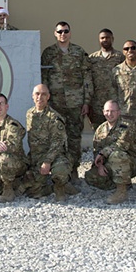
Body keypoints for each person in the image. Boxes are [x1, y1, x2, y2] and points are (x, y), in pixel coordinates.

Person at [40, 21, 92, 183]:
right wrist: (44, 102)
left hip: (75, 103)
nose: (63, 34)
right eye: (60, 31)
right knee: (57, 137)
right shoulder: (48, 53)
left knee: (74, 137)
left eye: (66, 31)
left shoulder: (79, 52)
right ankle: (60, 171)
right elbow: (44, 78)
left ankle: (74, 169)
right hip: (55, 103)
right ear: (55, 33)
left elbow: (87, 77)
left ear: (70, 33)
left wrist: (86, 101)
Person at [83, 100, 136, 204]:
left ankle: (121, 191)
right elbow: (97, 150)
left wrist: (103, 153)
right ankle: (122, 182)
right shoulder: (100, 129)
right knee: (91, 177)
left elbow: (121, 145)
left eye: (113, 111)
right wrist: (100, 165)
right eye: (107, 111)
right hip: (110, 162)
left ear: (119, 112)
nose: (109, 114)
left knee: (117, 155)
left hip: (130, 161)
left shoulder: (127, 125)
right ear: (103, 112)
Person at [25, 84, 71, 201]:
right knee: (31, 191)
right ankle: (48, 187)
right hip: (36, 157)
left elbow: (58, 142)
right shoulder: (29, 114)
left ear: (48, 97)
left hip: (54, 156)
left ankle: (60, 187)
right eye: (37, 94)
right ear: (32, 96)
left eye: (43, 94)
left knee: (60, 171)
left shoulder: (54, 117)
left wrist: (47, 161)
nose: (40, 97)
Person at [88, 28, 125, 126]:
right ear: (99, 40)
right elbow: (88, 80)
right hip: (97, 104)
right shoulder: (92, 58)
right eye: (102, 38)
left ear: (112, 39)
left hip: (115, 104)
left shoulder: (120, 57)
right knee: (98, 133)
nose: (105, 40)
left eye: (107, 38)